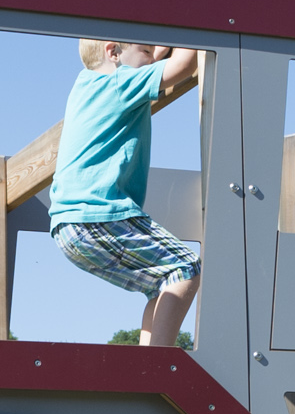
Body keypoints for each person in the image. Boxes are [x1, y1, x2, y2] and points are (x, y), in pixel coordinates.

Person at [48, 40, 203, 346]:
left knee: (164, 284)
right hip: (99, 215)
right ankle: (160, 364)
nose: (152, 61)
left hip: (68, 227)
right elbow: (184, 64)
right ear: (112, 52)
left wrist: (151, 51)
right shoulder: (120, 81)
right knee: (186, 267)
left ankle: (147, 368)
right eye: (146, 53)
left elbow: (153, 58)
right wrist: (192, 27)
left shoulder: (87, 85)